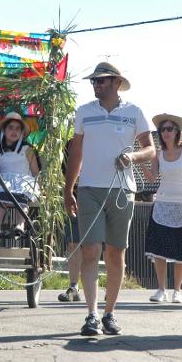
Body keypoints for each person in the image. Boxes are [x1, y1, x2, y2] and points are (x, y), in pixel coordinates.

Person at [64, 62, 155, 336]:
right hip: (90, 189)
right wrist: (69, 189)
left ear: (116, 82)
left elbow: (150, 150)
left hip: (122, 190)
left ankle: (109, 314)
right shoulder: (84, 112)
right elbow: (75, 153)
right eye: (94, 81)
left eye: (102, 81)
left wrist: (132, 157)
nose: (96, 85)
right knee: (90, 251)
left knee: (116, 253)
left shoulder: (134, 112)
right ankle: (91, 314)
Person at [140, 113, 182, 304]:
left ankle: (177, 291)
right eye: (162, 129)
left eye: (169, 129)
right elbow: (151, 178)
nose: (165, 132)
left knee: (181, 250)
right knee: (159, 250)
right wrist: (139, 161)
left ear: (177, 132)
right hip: (162, 203)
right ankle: (161, 289)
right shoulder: (158, 153)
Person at [0, 112, 40, 237]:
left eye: (17, 129)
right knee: (1, 194)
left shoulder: (27, 150)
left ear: (21, 133)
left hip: (24, 181)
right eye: (10, 127)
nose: (14, 131)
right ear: (4, 131)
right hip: (3, 181)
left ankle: (20, 225)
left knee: (23, 196)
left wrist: (39, 186)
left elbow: (35, 171)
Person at [59, 139, 82, 302]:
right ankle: (74, 285)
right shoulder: (71, 144)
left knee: (101, 244)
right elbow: (64, 171)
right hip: (75, 195)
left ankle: (110, 286)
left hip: (99, 195)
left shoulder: (102, 140)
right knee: (73, 243)